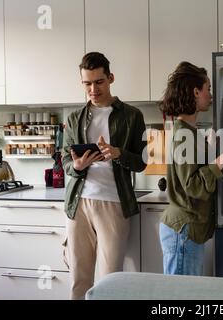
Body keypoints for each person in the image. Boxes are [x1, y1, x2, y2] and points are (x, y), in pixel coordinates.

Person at [62, 52, 147, 299]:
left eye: (98, 82)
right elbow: (65, 161)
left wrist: (118, 153)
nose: (93, 89)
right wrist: (77, 166)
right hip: (78, 203)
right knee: (79, 278)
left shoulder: (132, 116)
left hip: (114, 203)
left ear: (110, 78)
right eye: (87, 83)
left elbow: (142, 162)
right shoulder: (74, 118)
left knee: (110, 280)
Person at [158, 61, 223, 276]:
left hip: (187, 230)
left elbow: (194, 169)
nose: (211, 94)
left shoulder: (190, 132)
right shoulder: (183, 134)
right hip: (183, 231)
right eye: (208, 88)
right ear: (195, 92)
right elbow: (193, 185)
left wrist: (210, 149)